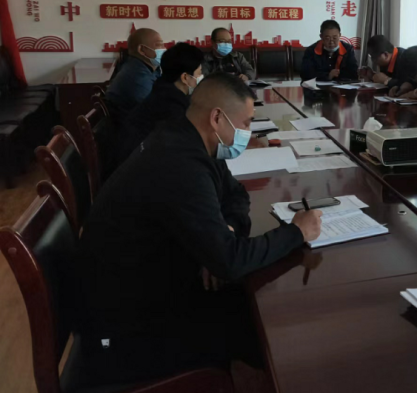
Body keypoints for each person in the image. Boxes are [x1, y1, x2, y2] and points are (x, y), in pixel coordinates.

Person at [76, 73, 322, 384]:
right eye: (246, 123)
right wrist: (296, 232)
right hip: (127, 332)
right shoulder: (178, 164)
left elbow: (236, 194)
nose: (248, 132)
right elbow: (230, 261)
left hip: (154, 287)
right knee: (270, 326)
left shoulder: (188, 138)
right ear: (217, 118)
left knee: (254, 304)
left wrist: (225, 229)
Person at [112, 43, 205, 172]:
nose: (201, 77)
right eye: (199, 73)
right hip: (140, 169)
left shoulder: (163, 91)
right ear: (185, 78)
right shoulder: (171, 107)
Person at [105, 28, 165, 121]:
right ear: (141, 50)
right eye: (158, 45)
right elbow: (159, 113)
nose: (164, 49)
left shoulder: (140, 67)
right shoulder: (138, 79)